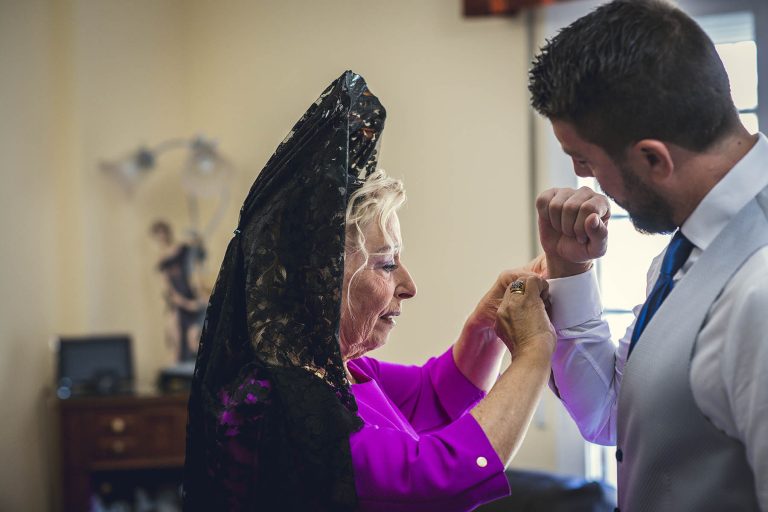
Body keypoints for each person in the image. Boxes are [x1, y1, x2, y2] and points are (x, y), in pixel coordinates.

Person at [182, 71, 556, 511]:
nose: (409, 286)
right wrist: (533, 352)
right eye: (386, 264)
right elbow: (435, 479)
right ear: (319, 280)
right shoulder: (276, 402)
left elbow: (433, 395)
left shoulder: (340, 371)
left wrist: (488, 322)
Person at [528, 1, 768, 510]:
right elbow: (616, 417)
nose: (585, 179)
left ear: (652, 159)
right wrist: (570, 272)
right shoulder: (686, 250)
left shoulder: (760, 289)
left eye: (586, 160)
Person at [150, 220, 208, 362]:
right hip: (179, 303)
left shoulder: (182, 249)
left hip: (192, 296)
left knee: (196, 339)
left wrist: (198, 296)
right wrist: (185, 303)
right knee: (176, 340)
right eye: (158, 235)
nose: (161, 237)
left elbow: (195, 269)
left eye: (163, 233)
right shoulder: (162, 260)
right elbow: (168, 289)